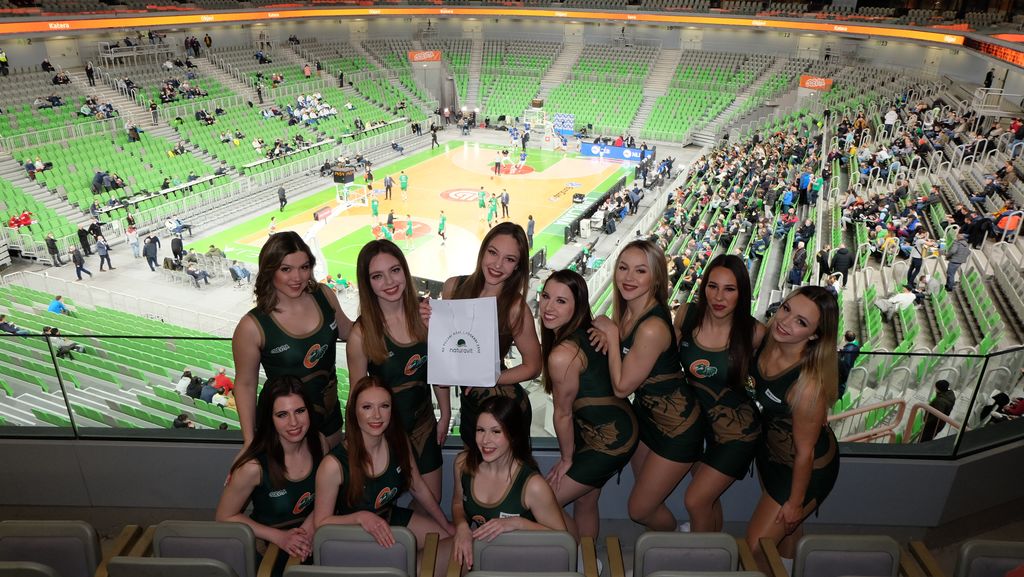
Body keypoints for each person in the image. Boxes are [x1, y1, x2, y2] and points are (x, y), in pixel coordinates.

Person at [591, 239, 703, 531]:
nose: (628, 277)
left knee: (639, 509)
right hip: (647, 419)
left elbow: (621, 387)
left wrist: (611, 334)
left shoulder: (651, 327)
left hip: (678, 430)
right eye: (623, 268)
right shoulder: (629, 311)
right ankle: (662, 548)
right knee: (647, 497)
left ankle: (676, 541)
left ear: (655, 278)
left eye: (640, 271)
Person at [746, 286, 840, 571]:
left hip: (806, 469)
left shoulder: (807, 385)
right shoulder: (765, 339)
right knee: (786, 537)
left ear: (814, 335)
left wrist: (796, 503)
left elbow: (805, 453)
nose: (785, 322)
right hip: (771, 455)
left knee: (755, 547)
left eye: (801, 322)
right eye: (786, 309)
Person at [346, 240, 448, 502]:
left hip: (423, 424)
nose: (389, 282)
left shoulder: (427, 314)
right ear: (367, 282)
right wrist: (359, 443)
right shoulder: (361, 333)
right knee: (382, 504)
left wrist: (445, 413)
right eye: (377, 276)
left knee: (432, 500)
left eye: (395, 270)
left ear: (405, 270)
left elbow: (440, 368)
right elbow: (357, 396)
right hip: (384, 430)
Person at [539, 270, 637, 540]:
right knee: (585, 500)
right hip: (605, 429)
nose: (548, 307)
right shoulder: (588, 331)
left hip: (610, 440)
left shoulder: (563, 355)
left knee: (544, 503)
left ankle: (576, 554)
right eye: (546, 296)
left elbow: (563, 414)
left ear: (578, 306)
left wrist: (567, 459)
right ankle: (588, 557)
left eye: (561, 301)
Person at [233, 232, 354, 449]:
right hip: (287, 432)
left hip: (330, 419)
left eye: (304, 267)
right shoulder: (251, 327)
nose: (297, 277)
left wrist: (392, 313)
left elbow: (349, 331)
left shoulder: (324, 295)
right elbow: (246, 385)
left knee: (332, 469)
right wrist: (249, 441)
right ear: (270, 270)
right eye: (286, 269)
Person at [673, 254, 765, 532]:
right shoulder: (686, 315)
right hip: (697, 427)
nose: (718, 297)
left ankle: (701, 555)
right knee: (707, 500)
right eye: (712, 286)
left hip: (737, 433)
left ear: (742, 293)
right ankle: (713, 548)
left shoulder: (755, 332)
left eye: (729, 289)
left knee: (695, 500)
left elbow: (777, 373)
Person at [430, 223, 541, 448]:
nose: (498, 265)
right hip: (471, 402)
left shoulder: (515, 308)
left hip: (506, 407)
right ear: (483, 251)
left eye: (509, 259)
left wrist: (491, 377)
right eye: (493, 252)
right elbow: (443, 358)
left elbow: (534, 366)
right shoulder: (453, 287)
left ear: (517, 267)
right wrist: (444, 414)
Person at [312, 376, 453, 551]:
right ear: (354, 412)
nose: (377, 415)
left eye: (384, 406)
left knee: (453, 544)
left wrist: (446, 525)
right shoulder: (333, 465)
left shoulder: (399, 441)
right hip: (352, 530)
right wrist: (360, 518)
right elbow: (321, 523)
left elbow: (418, 486)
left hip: (388, 517)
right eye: (367, 407)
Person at [215, 377, 324, 572]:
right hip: (269, 547)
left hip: (313, 538)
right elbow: (224, 516)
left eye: (300, 411)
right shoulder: (252, 467)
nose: (294, 422)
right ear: (269, 419)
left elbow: (327, 495)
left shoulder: (320, 443)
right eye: (282, 415)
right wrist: (279, 537)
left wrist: (308, 528)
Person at [448, 396, 566, 573]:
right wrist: (461, 526)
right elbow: (458, 503)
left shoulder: (533, 485)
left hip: (525, 555)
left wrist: (518, 524)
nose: (485, 440)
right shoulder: (463, 464)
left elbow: (562, 539)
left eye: (496, 432)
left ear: (513, 435)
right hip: (485, 547)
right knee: (420, 567)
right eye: (480, 430)